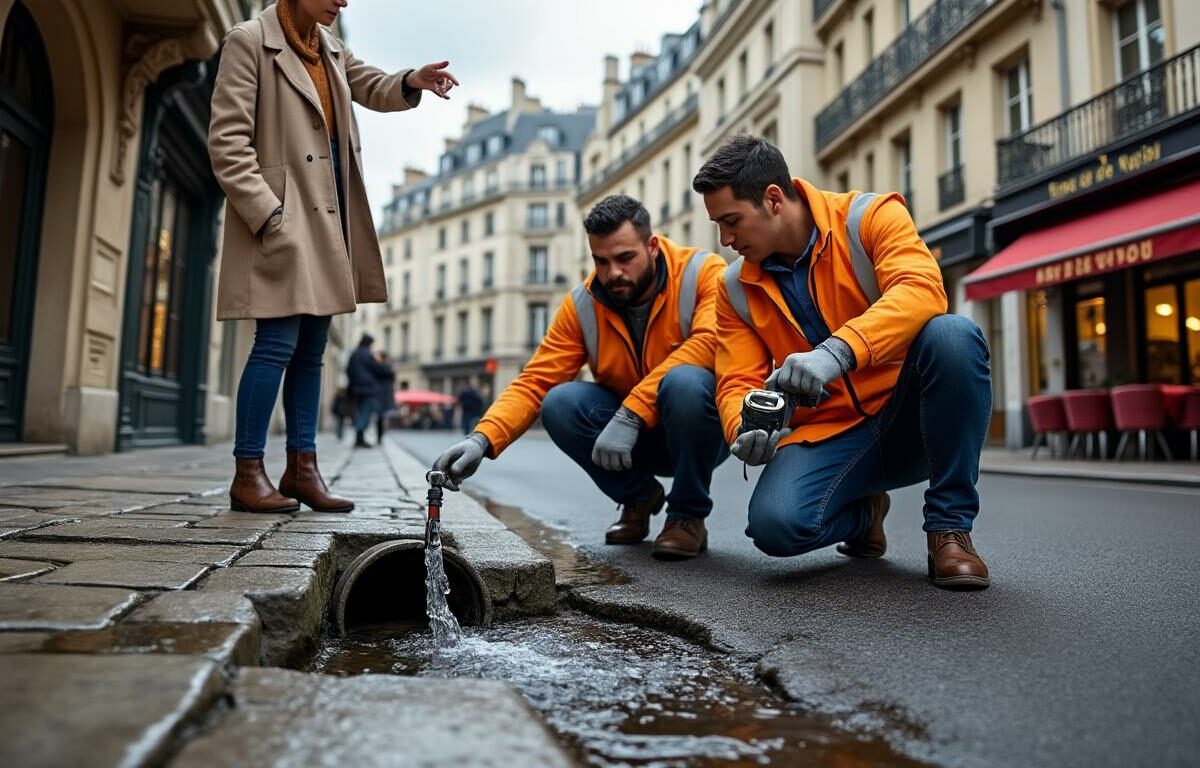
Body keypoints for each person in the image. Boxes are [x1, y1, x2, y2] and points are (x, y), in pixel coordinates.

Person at [693, 136, 993, 589]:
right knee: (775, 527)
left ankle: (950, 530)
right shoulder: (733, 288)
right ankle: (866, 515)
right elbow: (736, 379)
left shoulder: (871, 217)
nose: (726, 240)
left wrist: (835, 353)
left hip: (913, 419)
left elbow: (921, 291)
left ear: (773, 199)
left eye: (731, 221)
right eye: (718, 225)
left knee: (953, 336)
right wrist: (743, 428)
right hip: (830, 433)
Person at [210, 0, 458, 513]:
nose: (343, 1)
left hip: (329, 216)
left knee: (312, 350)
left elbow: (374, 86)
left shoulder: (331, 48)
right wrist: (269, 214)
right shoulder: (249, 41)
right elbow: (228, 144)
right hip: (284, 215)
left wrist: (412, 80)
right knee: (275, 343)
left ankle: (302, 470)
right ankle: (247, 473)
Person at [433, 196, 728, 559]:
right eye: (601, 261)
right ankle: (638, 497)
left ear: (652, 246)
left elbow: (710, 343)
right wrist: (482, 439)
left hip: (699, 429)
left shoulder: (703, 272)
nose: (613, 272)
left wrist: (631, 414)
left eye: (624, 258)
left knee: (686, 382)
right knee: (559, 402)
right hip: (624, 440)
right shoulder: (582, 303)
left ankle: (687, 516)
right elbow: (535, 381)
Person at [346, 333, 392, 448]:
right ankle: (359, 438)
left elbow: (348, 370)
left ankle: (359, 438)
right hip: (368, 389)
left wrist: (354, 383)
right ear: (369, 343)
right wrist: (387, 369)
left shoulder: (354, 354)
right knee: (365, 413)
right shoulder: (367, 354)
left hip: (356, 389)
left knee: (360, 412)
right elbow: (377, 368)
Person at [374, 351, 396, 445]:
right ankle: (381, 437)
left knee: (379, 417)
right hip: (386, 395)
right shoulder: (390, 368)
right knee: (384, 417)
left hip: (380, 395)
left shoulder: (379, 367)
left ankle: (379, 437)